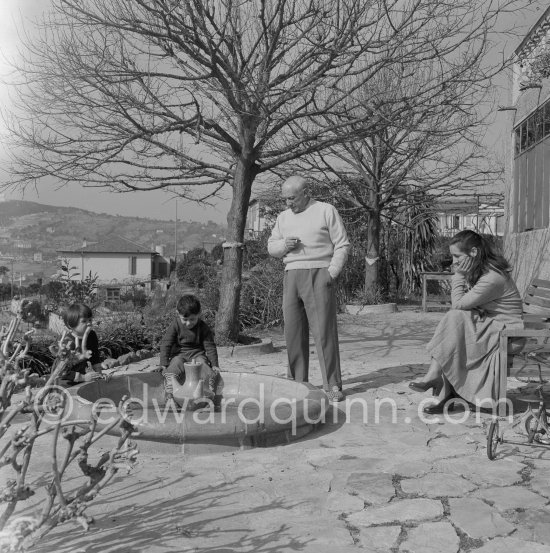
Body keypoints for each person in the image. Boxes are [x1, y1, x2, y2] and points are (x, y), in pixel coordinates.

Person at [409, 230, 524, 414]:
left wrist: (459, 275)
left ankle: (440, 383)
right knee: (456, 323)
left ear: (474, 253)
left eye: (457, 256)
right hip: (491, 326)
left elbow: (458, 304)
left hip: (507, 335)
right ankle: (439, 382)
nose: (454, 262)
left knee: (455, 318)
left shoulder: (492, 278)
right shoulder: (483, 271)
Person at [267, 175, 350, 403]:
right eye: (285, 199)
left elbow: (342, 243)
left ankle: (332, 384)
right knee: (293, 332)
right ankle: (297, 383)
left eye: (291, 198)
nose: (288, 204)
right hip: (291, 274)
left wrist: (331, 272)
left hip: (319, 272)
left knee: (324, 332)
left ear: (306, 192)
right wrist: (284, 245)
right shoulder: (283, 217)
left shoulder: (325, 210)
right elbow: (271, 246)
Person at [158, 294, 220, 402]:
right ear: (178, 314)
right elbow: (166, 343)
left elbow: (210, 346)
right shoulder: (175, 325)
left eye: (192, 319)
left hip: (197, 355)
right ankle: (170, 387)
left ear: (199, 314)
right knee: (175, 364)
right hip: (179, 354)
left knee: (202, 364)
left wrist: (214, 364)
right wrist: (163, 363)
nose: (188, 323)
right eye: (185, 319)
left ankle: (207, 389)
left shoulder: (203, 327)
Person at [59, 302, 104, 386]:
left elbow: (95, 356)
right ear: (71, 325)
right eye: (84, 321)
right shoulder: (68, 342)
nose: (89, 323)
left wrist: (99, 373)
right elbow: (63, 371)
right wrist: (83, 378)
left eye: (90, 320)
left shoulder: (91, 335)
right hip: (66, 381)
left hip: (82, 378)